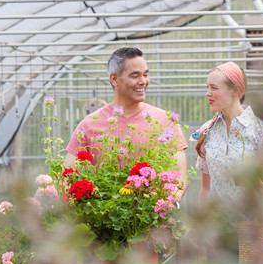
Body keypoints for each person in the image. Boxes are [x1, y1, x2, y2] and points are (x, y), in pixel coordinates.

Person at [65, 47, 189, 201]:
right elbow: (67, 178)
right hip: (108, 219)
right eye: (135, 76)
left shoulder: (165, 121)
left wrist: (163, 201)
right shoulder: (90, 125)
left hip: (152, 218)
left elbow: (180, 178)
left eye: (145, 75)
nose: (143, 81)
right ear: (114, 79)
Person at [193, 61, 263, 227]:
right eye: (207, 87)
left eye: (214, 88)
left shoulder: (261, 131)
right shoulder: (207, 131)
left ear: (236, 91)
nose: (207, 93)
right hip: (217, 234)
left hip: (252, 232)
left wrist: (255, 182)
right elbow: (205, 189)